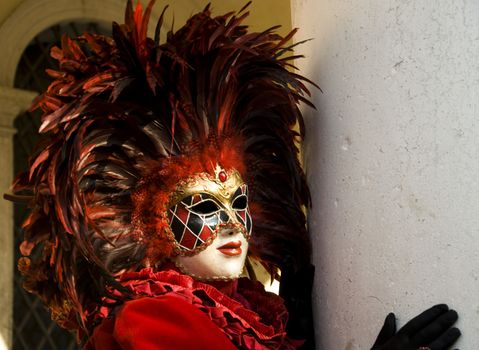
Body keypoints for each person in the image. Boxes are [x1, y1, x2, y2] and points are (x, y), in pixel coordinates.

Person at [7, 1, 460, 349]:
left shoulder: (242, 309)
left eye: (238, 203)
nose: (231, 224)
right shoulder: (156, 316)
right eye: (204, 205)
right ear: (154, 226)